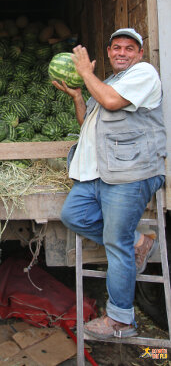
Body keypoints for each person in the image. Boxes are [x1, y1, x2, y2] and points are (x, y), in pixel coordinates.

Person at [53, 28, 166, 339]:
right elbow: (86, 122)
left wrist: (85, 74)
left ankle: (121, 319)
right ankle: (138, 242)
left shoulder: (144, 74)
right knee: (73, 215)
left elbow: (112, 103)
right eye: (116, 47)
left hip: (129, 173)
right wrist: (78, 95)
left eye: (130, 48)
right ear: (108, 52)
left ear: (139, 54)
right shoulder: (110, 82)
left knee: (115, 243)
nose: (122, 52)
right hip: (96, 174)